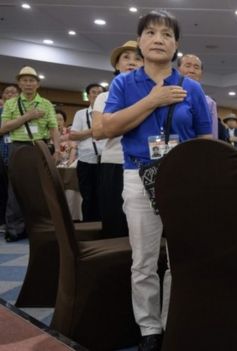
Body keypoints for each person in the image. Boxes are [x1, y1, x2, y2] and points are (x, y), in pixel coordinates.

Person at [100, 10, 213, 351]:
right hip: (139, 175)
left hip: (183, 179)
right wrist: (153, 100)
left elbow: (205, 141)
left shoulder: (191, 87)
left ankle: (171, 321)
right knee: (144, 260)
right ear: (141, 41)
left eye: (167, 34)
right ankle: (149, 328)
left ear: (176, 44)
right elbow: (107, 128)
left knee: (180, 257)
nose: (159, 39)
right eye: (151, 33)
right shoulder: (124, 82)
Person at [0, 66, 61, 242]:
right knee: (15, 188)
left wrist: (57, 150)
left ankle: (40, 228)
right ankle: (14, 230)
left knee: (42, 188)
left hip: (39, 146)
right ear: (19, 83)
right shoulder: (11, 103)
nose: (28, 83)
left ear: (38, 84)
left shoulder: (46, 103)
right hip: (17, 146)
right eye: (24, 80)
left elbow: (53, 129)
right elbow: (3, 128)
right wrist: (28, 116)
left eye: (32, 80)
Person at [92, 40, 143, 237]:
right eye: (126, 57)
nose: (132, 62)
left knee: (144, 224)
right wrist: (136, 117)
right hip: (114, 162)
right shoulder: (104, 97)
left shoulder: (151, 94)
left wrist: (116, 123)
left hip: (145, 163)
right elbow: (97, 132)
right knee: (115, 221)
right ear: (117, 64)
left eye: (138, 58)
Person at [69, 83, 105, 221]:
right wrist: (95, 130)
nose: (96, 95)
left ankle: (104, 228)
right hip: (86, 161)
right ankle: (89, 227)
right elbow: (73, 136)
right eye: (93, 92)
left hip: (105, 161)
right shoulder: (80, 114)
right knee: (88, 197)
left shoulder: (109, 113)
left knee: (104, 196)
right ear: (88, 95)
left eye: (99, 92)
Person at [177, 53, 219, 139]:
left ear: (201, 73)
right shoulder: (168, 93)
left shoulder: (209, 102)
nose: (192, 70)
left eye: (196, 67)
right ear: (178, 69)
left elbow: (212, 133)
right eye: (187, 66)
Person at [0, 84, 19, 235]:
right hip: (2, 153)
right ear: (3, 96)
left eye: (14, 92)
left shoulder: (20, 110)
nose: (10, 94)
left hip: (18, 154)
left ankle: (13, 224)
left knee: (14, 191)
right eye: (7, 92)